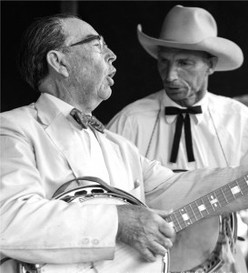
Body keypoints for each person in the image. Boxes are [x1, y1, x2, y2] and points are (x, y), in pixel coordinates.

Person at [0, 13, 247, 273]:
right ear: (59, 62)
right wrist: (118, 222)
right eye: (97, 45)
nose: (112, 55)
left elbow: (175, 187)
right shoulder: (13, 128)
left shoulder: (118, 147)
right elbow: (7, 219)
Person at [107, 5, 248, 273]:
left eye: (184, 63)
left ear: (211, 65)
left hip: (229, 261)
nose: (170, 75)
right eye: (164, 61)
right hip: (143, 264)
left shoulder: (240, 120)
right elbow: (104, 200)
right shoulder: (131, 121)